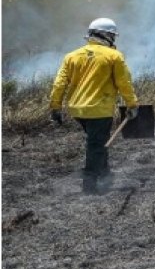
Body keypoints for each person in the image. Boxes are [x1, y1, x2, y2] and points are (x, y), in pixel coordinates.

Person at [49, 18, 139, 195]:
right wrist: (132, 104)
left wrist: (55, 107)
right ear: (106, 35)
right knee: (96, 146)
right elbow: (124, 83)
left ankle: (105, 175)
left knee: (98, 142)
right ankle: (89, 185)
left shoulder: (72, 56)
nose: (114, 40)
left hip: (77, 110)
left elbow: (59, 84)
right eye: (112, 36)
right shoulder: (114, 56)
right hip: (99, 110)